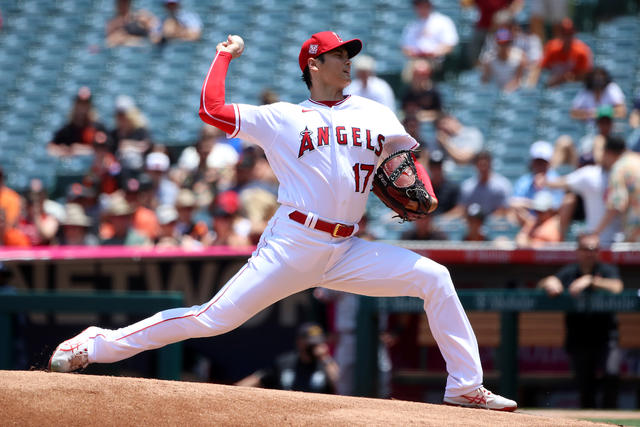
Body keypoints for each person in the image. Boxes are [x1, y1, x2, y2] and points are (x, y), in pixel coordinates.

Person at [49, 31, 517, 411]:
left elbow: (406, 164)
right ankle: (98, 343)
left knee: (435, 277)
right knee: (212, 319)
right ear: (313, 64)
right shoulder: (283, 117)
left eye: (348, 53)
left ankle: (464, 386)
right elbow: (211, 109)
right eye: (338, 54)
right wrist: (223, 56)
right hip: (292, 243)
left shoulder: (376, 112)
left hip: (348, 249)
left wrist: (420, 189)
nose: (348, 60)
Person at [538, 234, 623, 408]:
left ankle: (612, 417)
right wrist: (550, 281)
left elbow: (617, 287)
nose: (590, 253)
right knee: (585, 384)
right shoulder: (570, 271)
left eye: (594, 249)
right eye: (586, 249)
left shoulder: (606, 270)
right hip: (578, 337)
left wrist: (591, 280)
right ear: (578, 251)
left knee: (612, 373)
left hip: (606, 336)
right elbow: (544, 283)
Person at [235, 322, 340, 394]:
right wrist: (232, 391)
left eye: (317, 342)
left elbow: (337, 381)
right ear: (299, 342)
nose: (313, 346)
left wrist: (325, 357)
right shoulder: (285, 362)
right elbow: (259, 378)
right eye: (310, 342)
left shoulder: (324, 364)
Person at [592, 136, 640, 242]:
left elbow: (617, 204)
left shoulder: (619, 168)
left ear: (608, 152)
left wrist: (595, 233)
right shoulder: (637, 159)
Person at [445, 150, 512, 218]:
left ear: (490, 164)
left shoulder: (502, 185)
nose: (483, 168)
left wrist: (483, 222)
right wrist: (443, 219)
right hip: (473, 222)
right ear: (475, 165)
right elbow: (462, 209)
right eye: (480, 165)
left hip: (495, 224)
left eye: (485, 165)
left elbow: (504, 210)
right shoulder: (468, 186)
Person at [528, 18, 592, 88]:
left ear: (574, 33)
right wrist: (531, 85)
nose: (567, 37)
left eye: (570, 33)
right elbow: (540, 68)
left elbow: (584, 76)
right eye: (564, 33)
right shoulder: (552, 47)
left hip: (574, 88)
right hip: (554, 87)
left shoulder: (582, 51)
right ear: (560, 34)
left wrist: (564, 78)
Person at [48, 87, 108, 158]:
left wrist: (83, 150)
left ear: (90, 106)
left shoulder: (98, 127)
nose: (82, 108)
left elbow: (107, 148)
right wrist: (64, 151)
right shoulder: (68, 129)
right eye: (80, 103)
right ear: (75, 105)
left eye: (85, 104)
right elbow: (51, 147)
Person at [401, 0, 459, 66]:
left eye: (424, 5)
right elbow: (405, 48)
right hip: (416, 61)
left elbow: (449, 45)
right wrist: (415, 54)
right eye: (418, 5)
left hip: (437, 61)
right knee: (417, 66)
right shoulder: (411, 26)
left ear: (430, 5)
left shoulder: (443, 21)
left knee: (422, 67)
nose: (421, 8)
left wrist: (434, 53)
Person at [480, 28, 526, 92]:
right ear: (496, 43)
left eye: (507, 42)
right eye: (501, 43)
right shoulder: (488, 59)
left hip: (514, 94)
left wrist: (505, 92)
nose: (504, 46)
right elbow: (485, 80)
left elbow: (518, 80)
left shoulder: (519, 57)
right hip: (493, 94)